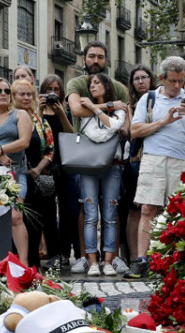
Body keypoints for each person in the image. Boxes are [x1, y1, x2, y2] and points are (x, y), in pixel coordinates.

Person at [127, 56, 185, 279]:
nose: (178, 86)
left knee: (178, 212)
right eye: (173, 81)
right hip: (153, 159)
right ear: (162, 78)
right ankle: (142, 260)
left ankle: (173, 259)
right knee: (147, 209)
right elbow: (134, 131)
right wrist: (163, 122)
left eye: (181, 81)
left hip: (182, 162)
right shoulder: (149, 99)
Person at [65, 41, 130, 273]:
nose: (95, 61)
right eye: (91, 56)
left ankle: (110, 259)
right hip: (85, 157)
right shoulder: (75, 83)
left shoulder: (119, 86)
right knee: (87, 211)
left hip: (113, 158)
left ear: (106, 60)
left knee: (112, 210)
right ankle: (86, 258)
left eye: (100, 57)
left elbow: (125, 120)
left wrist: (96, 107)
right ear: (84, 58)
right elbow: (76, 110)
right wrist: (109, 105)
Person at [78, 72, 129, 277]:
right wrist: (97, 109)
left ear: (107, 86)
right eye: (91, 83)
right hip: (89, 166)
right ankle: (92, 261)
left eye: (97, 83)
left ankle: (107, 261)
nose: (93, 86)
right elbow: (96, 134)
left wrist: (94, 108)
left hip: (113, 165)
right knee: (90, 215)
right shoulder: (85, 109)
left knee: (110, 216)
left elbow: (115, 126)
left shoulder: (119, 108)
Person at [0, 78, 32, 264]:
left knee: (15, 216)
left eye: (6, 91)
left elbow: (24, 141)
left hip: (16, 173)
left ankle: (24, 264)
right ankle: (0, 262)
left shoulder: (19, 115)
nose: (3, 94)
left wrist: (1, 150)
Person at [12, 79, 56, 268]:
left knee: (35, 226)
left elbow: (50, 150)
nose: (26, 97)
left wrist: (38, 169)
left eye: (29, 94)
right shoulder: (10, 119)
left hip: (36, 180)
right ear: (14, 97)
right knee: (15, 223)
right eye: (22, 94)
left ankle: (33, 268)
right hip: (14, 179)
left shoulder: (40, 121)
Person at [37, 75, 76, 271]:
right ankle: (53, 254)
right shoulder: (38, 112)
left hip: (65, 164)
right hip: (46, 166)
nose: (53, 92)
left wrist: (61, 113)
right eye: (49, 89)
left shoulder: (64, 111)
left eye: (57, 89)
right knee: (48, 213)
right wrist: (39, 108)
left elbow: (72, 135)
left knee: (68, 211)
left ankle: (64, 253)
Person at [122, 64, 157, 271]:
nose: (141, 81)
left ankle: (152, 255)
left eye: (144, 77)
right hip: (135, 160)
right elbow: (130, 132)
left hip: (155, 158)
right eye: (137, 78)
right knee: (135, 210)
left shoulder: (158, 100)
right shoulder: (129, 105)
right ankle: (135, 258)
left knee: (152, 210)